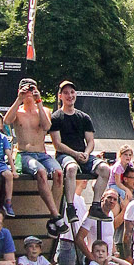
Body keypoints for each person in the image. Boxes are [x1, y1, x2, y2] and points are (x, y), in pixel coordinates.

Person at [3, 79, 64, 226]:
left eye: (32, 89)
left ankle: (54, 214)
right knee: (41, 172)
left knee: (58, 173)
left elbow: (46, 126)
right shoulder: (18, 111)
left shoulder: (44, 110)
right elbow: (6, 121)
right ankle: (55, 215)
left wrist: (39, 102)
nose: (29, 93)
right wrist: (19, 99)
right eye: (26, 90)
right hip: (24, 153)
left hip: (41, 153)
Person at [49, 82, 112, 221]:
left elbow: (90, 141)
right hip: (65, 155)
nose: (69, 96)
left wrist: (87, 153)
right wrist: (75, 154)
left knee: (105, 169)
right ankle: (70, 207)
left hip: (83, 154)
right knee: (71, 169)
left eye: (72, 92)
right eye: (66, 93)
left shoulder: (84, 117)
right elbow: (57, 144)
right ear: (60, 96)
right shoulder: (56, 118)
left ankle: (96, 205)